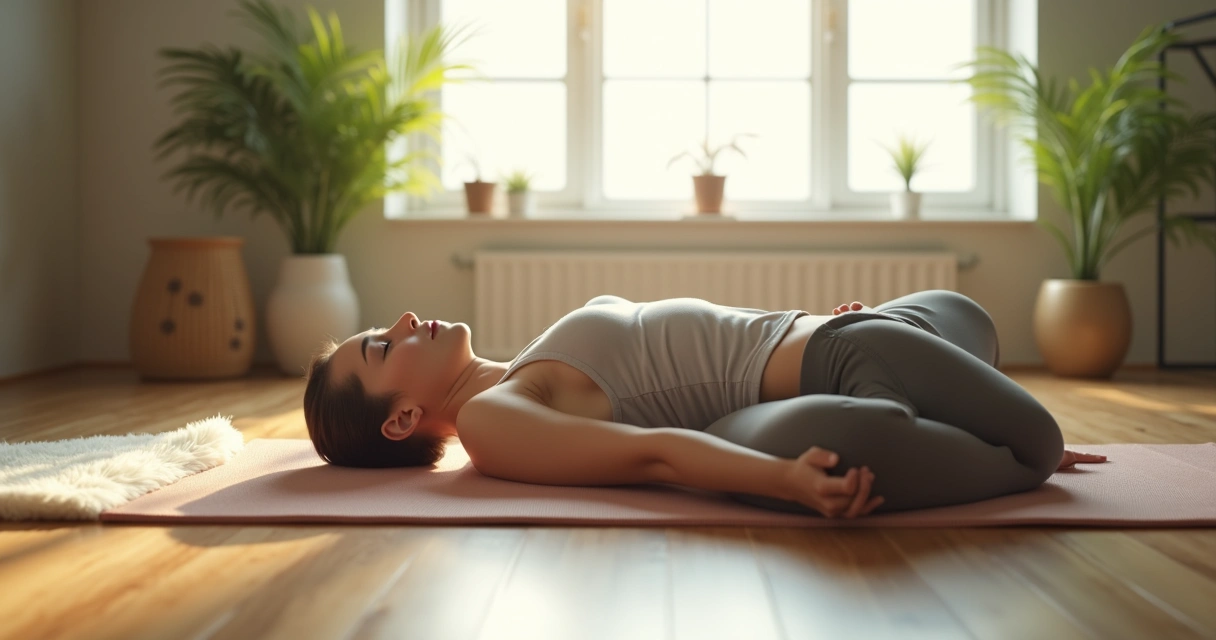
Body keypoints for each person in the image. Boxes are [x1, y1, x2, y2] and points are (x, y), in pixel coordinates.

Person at [303, 290, 1107, 519]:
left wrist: (823, 323)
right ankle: (994, 449)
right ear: (401, 419)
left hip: (828, 343)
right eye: (383, 346)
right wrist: (785, 483)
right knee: (1037, 442)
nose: (405, 321)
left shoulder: (518, 363)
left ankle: (960, 424)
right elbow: (653, 457)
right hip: (797, 393)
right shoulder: (491, 420)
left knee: (963, 311)